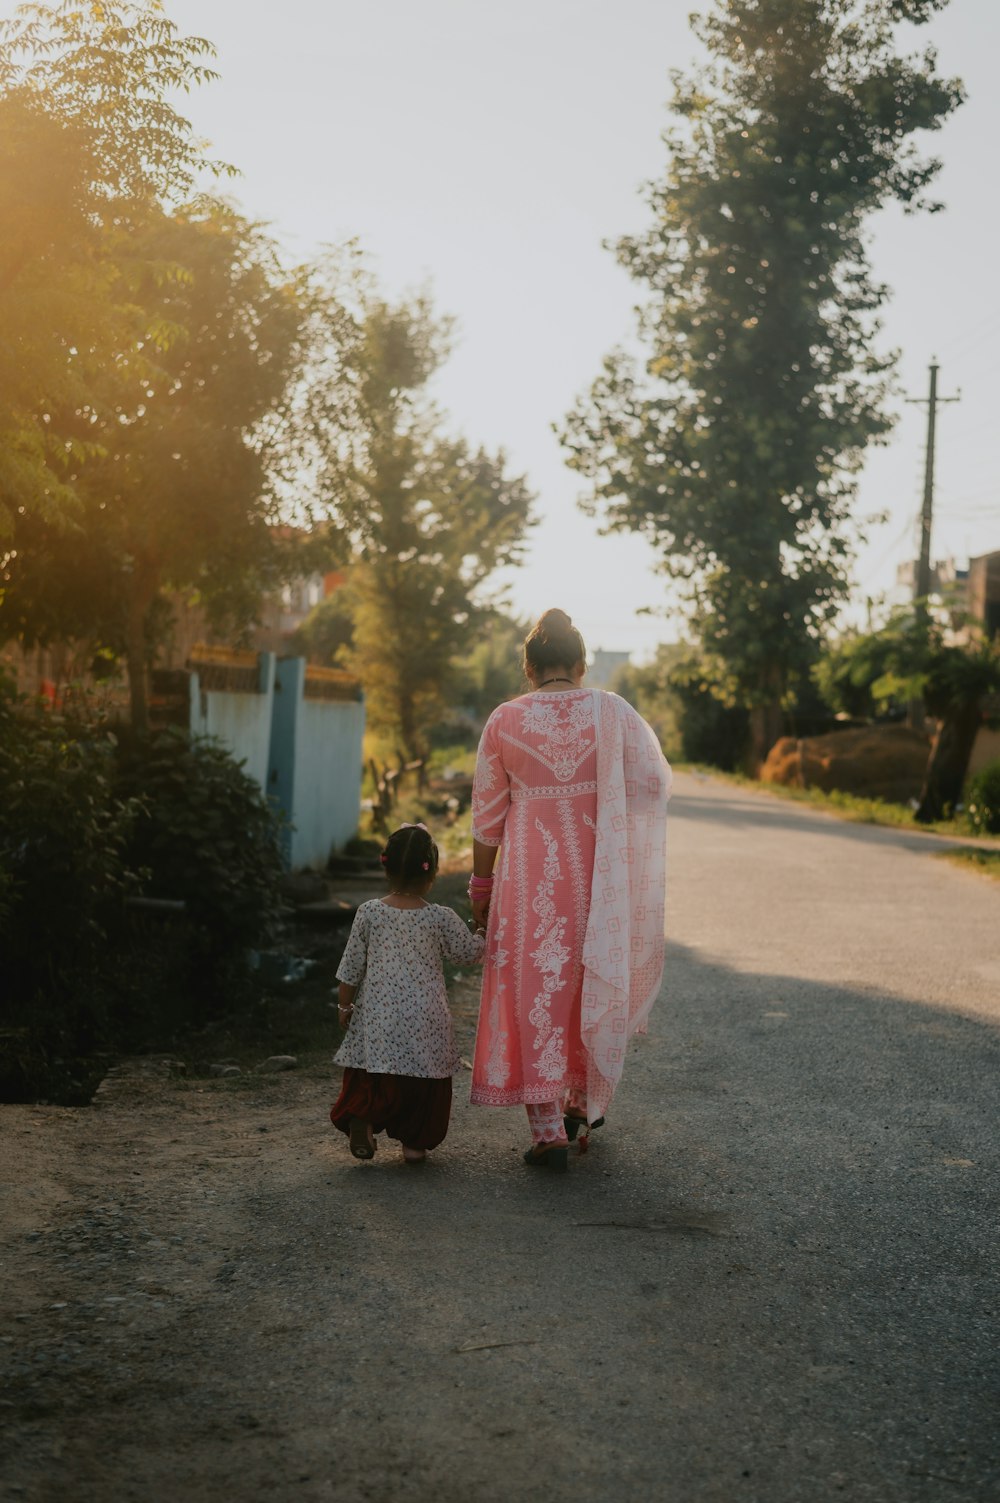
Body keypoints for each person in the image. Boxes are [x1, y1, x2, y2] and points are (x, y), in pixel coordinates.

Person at [469, 608, 671, 1172]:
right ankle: (580, 1104)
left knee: (536, 989)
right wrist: (612, 817)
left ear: (528, 668)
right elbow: (654, 782)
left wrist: (480, 890)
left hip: (528, 883)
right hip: (599, 882)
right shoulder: (613, 712)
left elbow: (487, 822)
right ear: (580, 665)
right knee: (587, 981)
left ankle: (548, 1128)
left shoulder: (504, 721)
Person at [330, 823, 485, 1163]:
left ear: (385, 866)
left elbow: (351, 967)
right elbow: (470, 953)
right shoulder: (439, 917)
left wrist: (345, 1005)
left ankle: (364, 1117)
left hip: (378, 1015)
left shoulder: (369, 912)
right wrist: (481, 929)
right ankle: (415, 1144)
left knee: (373, 1071)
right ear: (432, 872)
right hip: (425, 1019)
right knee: (423, 1079)